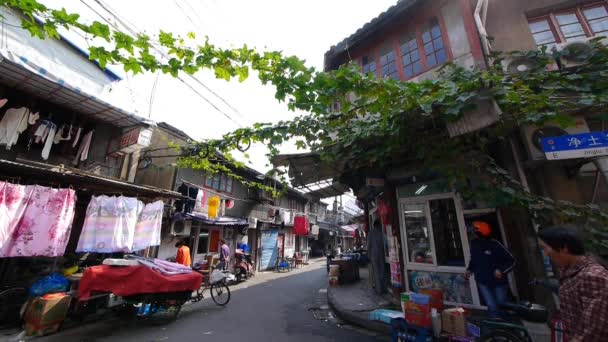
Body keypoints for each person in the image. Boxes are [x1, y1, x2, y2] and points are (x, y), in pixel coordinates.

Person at [538, 226, 608, 342]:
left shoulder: (592, 276)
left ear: (564, 248)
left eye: (545, 248)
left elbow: (594, 329)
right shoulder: (568, 270)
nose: (545, 253)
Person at [465, 221, 515, 319]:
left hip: (498, 282)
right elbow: (474, 259)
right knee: (491, 305)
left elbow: (511, 261)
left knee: (501, 304)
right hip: (482, 280)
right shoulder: (474, 244)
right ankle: (496, 328)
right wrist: (469, 270)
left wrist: (501, 270)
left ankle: (505, 325)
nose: (472, 232)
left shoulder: (495, 245)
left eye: (475, 230)